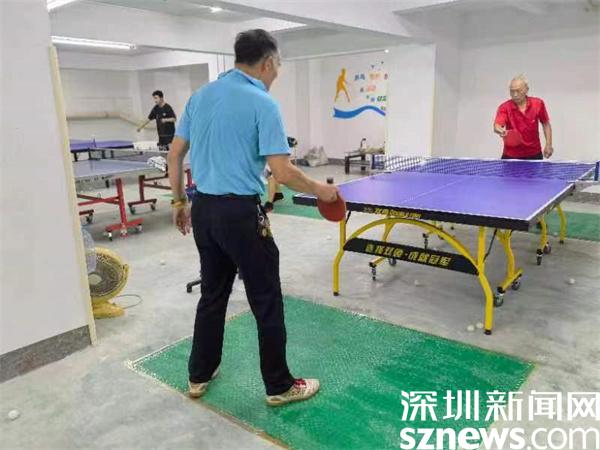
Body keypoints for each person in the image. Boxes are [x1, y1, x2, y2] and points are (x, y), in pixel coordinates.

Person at [167, 29, 339, 406]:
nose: (276, 73)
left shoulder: (200, 96)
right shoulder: (263, 103)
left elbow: (175, 155)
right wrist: (320, 190)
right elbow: (284, 171)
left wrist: (179, 202)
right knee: (266, 298)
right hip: (240, 214)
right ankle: (279, 385)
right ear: (267, 63)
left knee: (213, 293)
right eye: (277, 66)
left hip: (203, 209)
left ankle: (199, 373)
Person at [493, 75, 553, 160]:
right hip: (511, 156)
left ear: (526, 90)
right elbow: (497, 126)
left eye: (518, 91)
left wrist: (548, 144)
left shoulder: (538, 104)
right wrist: (501, 131)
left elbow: (546, 123)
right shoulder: (504, 107)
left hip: (534, 154)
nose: (515, 94)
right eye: (512, 91)